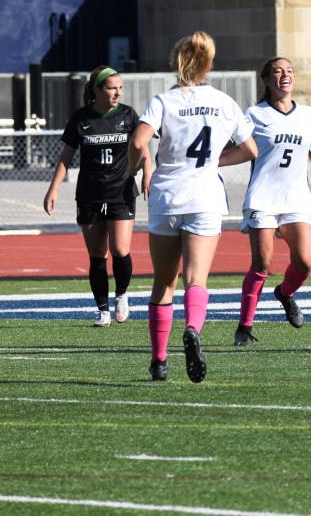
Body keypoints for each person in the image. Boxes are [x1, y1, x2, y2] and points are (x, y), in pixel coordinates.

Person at [129, 31, 257, 382]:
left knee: (163, 283)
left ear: (177, 62)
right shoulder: (223, 102)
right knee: (196, 278)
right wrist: (216, 161)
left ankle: (158, 362)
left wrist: (134, 168)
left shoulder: (164, 101)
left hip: (167, 196)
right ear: (209, 64)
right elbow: (250, 150)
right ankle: (193, 329)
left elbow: (139, 140)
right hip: (205, 196)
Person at [233, 57, 311, 346]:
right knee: (262, 264)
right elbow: (236, 147)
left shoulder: (306, 115)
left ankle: (285, 293)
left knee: (305, 262)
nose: (285, 75)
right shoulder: (254, 114)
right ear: (267, 81)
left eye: (289, 71)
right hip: (263, 198)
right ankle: (244, 328)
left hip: (295, 199)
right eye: (278, 72)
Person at [43, 66, 150, 327]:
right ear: (97, 90)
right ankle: (102, 309)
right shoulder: (81, 118)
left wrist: (147, 174)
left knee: (120, 249)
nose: (117, 93)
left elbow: (143, 147)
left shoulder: (128, 115)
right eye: (112, 88)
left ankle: (122, 295)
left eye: (120, 88)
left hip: (121, 190)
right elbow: (65, 158)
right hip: (90, 193)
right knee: (97, 255)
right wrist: (53, 188)